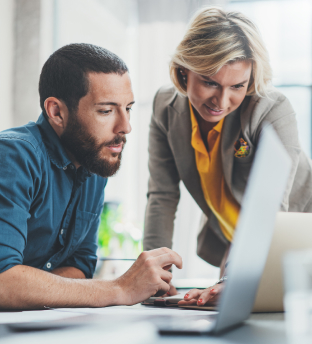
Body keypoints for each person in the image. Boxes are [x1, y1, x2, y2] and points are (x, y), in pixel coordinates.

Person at [143, 7, 312, 307]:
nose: (222, 101)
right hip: (236, 245)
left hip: (294, 243)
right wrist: (154, 276)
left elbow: (269, 210)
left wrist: (233, 278)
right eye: (210, 82)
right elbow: (162, 196)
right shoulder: (164, 108)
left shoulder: (272, 110)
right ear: (184, 71)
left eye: (237, 86)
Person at [0, 43, 182, 309]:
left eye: (128, 108)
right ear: (56, 112)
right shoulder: (13, 156)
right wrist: (119, 288)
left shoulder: (92, 162)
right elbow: (4, 281)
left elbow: (80, 265)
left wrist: (33, 288)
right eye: (106, 111)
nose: (126, 127)